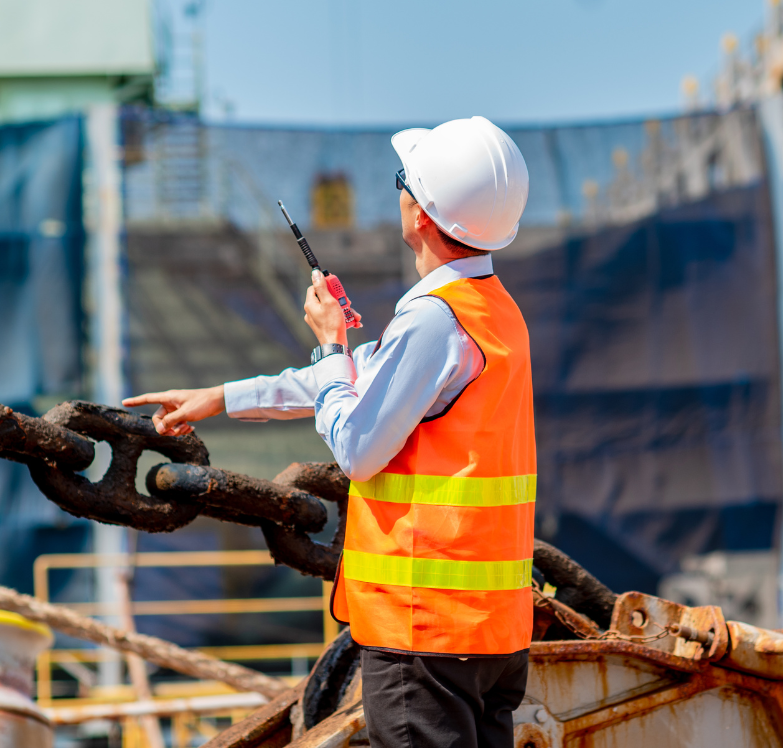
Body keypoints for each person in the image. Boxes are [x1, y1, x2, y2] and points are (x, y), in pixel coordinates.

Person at [123, 116, 535, 748]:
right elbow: (358, 381)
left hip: (422, 633)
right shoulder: (492, 312)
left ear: (421, 214)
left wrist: (329, 344)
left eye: (404, 181)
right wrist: (221, 398)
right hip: (489, 635)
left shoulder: (432, 322)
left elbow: (357, 448)